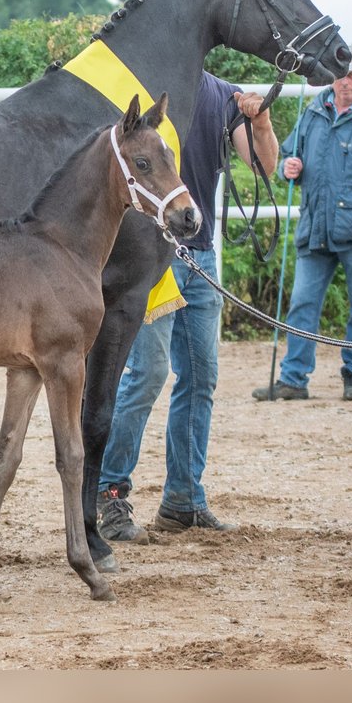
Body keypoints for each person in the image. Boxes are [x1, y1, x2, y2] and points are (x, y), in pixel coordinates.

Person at [97, 71, 277, 543]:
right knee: (149, 373)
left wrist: (260, 122)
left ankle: (183, 500)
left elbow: (264, 167)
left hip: (198, 251)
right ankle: (108, 494)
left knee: (200, 376)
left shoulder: (221, 96)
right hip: (146, 254)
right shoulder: (130, 82)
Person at [251, 45, 352, 403]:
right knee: (302, 304)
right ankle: (293, 379)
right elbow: (290, 154)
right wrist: (291, 166)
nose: (345, 82)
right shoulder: (312, 111)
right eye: (340, 75)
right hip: (315, 226)